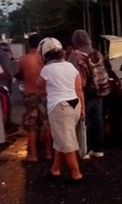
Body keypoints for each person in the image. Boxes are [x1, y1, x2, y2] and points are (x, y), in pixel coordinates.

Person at [36, 37, 85, 182]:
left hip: (59, 108)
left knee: (67, 143)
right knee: (61, 140)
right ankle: (55, 170)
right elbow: (79, 89)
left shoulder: (47, 69)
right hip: (75, 105)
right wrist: (83, 108)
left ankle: (77, 175)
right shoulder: (71, 67)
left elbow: (38, 86)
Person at [67, 29, 108, 159]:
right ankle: (99, 149)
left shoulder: (75, 55)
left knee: (82, 121)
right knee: (98, 120)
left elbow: (69, 72)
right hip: (98, 90)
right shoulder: (97, 53)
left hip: (82, 91)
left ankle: (84, 150)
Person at [19, 33, 53, 161]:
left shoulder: (23, 59)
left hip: (30, 94)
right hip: (45, 94)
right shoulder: (45, 60)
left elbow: (21, 75)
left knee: (31, 126)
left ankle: (33, 155)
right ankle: (48, 153)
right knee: (47, 124)